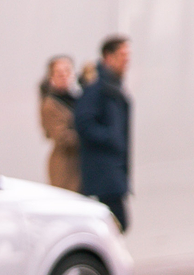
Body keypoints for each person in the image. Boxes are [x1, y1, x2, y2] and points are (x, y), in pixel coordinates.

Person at [78, 35, 131, 231]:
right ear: (108, 57)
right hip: (104, 174)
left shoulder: (113, 86)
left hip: (114, 171)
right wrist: (110, 137)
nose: (127, 60)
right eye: (123, 55)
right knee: (117, 224)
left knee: (116, 226)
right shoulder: (97, 89)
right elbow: (84, 124)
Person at [38, 56, 79, 192]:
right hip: (66, 167)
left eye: (67, 71)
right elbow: (62, 137)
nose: (63, 76)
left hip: (78, 164)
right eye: (59, 73)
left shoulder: (76, 99)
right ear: (51, 77)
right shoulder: (50, 104)